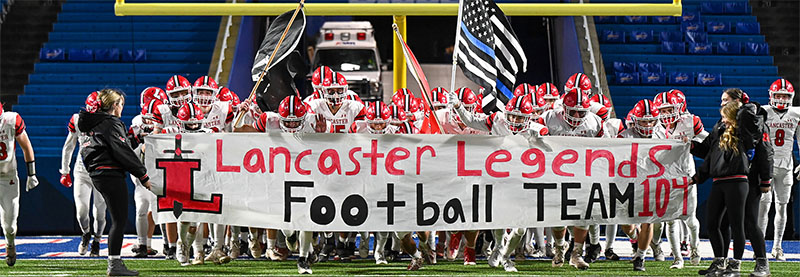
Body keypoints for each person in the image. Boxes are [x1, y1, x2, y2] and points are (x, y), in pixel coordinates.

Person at [451, 93, 548, 272]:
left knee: (520, 229)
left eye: (519, 117)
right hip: (498, 178)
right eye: (511, 115)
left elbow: (551, 154)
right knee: (498, 219)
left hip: (523, 181)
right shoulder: (497, 119)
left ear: (528, 117)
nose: (514, 119)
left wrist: (543, 143)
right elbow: (472, 121)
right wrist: (458, 106)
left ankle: (504, 252)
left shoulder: (538, 129)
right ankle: (500, 251)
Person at [78, 88, 151, 276]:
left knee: (115, 218)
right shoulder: (110, 122)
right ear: (114, 105)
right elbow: (122, 151)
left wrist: (135, 138)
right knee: (119, 220)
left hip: (98, 173)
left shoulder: (92, 123)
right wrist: (143, 175)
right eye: (121, 105)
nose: (122, 109)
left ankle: (114, 263)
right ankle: (114, 264)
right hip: (109, 173)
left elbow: (116, 145)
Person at [689, 100, 752, 277]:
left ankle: (736, 265)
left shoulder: (744, 131)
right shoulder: (719, 132)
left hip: (737, 181)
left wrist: (741, 106)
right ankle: (719, 261)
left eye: (725, 117)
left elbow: (753, 116)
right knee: (712, 223)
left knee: (736, 225)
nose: (722, 120)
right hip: (718, 181)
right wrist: (698, 177)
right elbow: (709, 158)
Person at [60, 91, 108, 257]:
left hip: (102, 171)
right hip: (82, 170)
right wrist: (64, 171)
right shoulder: (77, 120)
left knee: (100, 213)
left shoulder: (108, 121)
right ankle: (86, 234)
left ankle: (97, 240)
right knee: (81, 212)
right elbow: (69, 146)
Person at [760, 78, 797, 262]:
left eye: (785, 95)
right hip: (766, 166)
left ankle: (777, 247)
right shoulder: (764, 112)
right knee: (764, 206)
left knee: (782, 207)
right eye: (778, 95)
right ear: (771, 95)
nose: (782, 99)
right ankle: (760, 248)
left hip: (786, 166)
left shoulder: (796, 114)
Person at [0, 102, 38, 267]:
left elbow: (26, 146)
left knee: (10, 227)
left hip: (8, 177)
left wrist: (32, 173)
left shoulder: (11, 119)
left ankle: (10, 244)